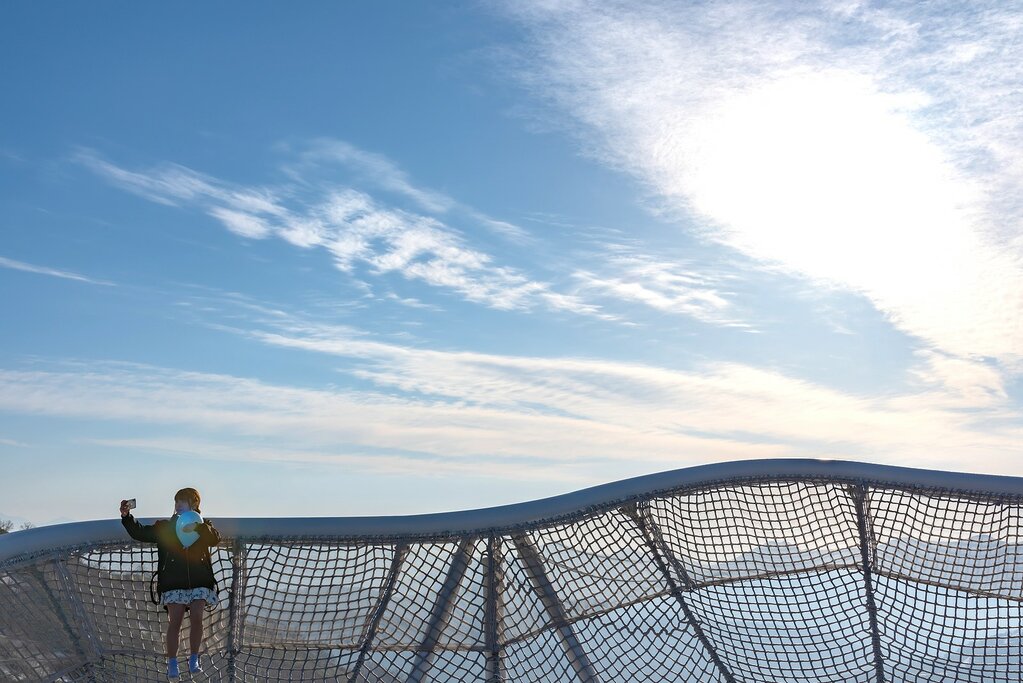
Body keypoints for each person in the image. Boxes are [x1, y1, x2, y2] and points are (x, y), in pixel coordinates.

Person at [120, 488, 221, 679]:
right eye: (176, 502)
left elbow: (214, 539)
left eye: (182, 501)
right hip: (174, 582)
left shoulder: (203, 525)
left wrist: (198, 528)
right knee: (175, 622)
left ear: (194, 504)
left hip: (200, 580)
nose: (178, 505)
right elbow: (140, 532)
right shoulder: (166, 527)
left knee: (197, 617)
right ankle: (172, 662)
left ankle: (194, 658)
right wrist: (127, 516)